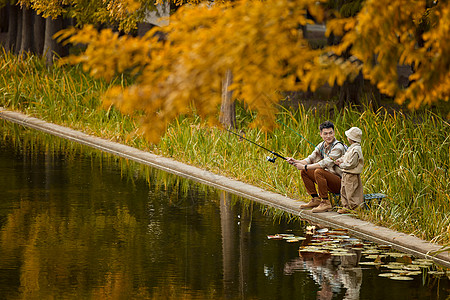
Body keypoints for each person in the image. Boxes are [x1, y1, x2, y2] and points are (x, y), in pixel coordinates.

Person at [287, 121, 346, 213]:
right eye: (325, 134)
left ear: (334, 133)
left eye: (331, 133)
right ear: (321, 134)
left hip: (342, 183)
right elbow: (310, 159)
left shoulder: (338, 147)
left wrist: (304, 166)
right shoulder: (322, 145)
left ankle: (326, 203)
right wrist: (295, 161)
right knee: (304, 171)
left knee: (318, 171)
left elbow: (324, 163)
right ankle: (315, 199)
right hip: (328, 179)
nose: (329, 136)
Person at [334, 127, 364, 214]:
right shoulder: (351, 148)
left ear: (351, 138)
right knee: (344, 190)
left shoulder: (356, 150)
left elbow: (351, 164)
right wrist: (340, 160)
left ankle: (354, 208)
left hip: (351, 175)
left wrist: (341, 165)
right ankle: (346, 206)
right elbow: (346, 157)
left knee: (351, 191)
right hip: (345, 173)